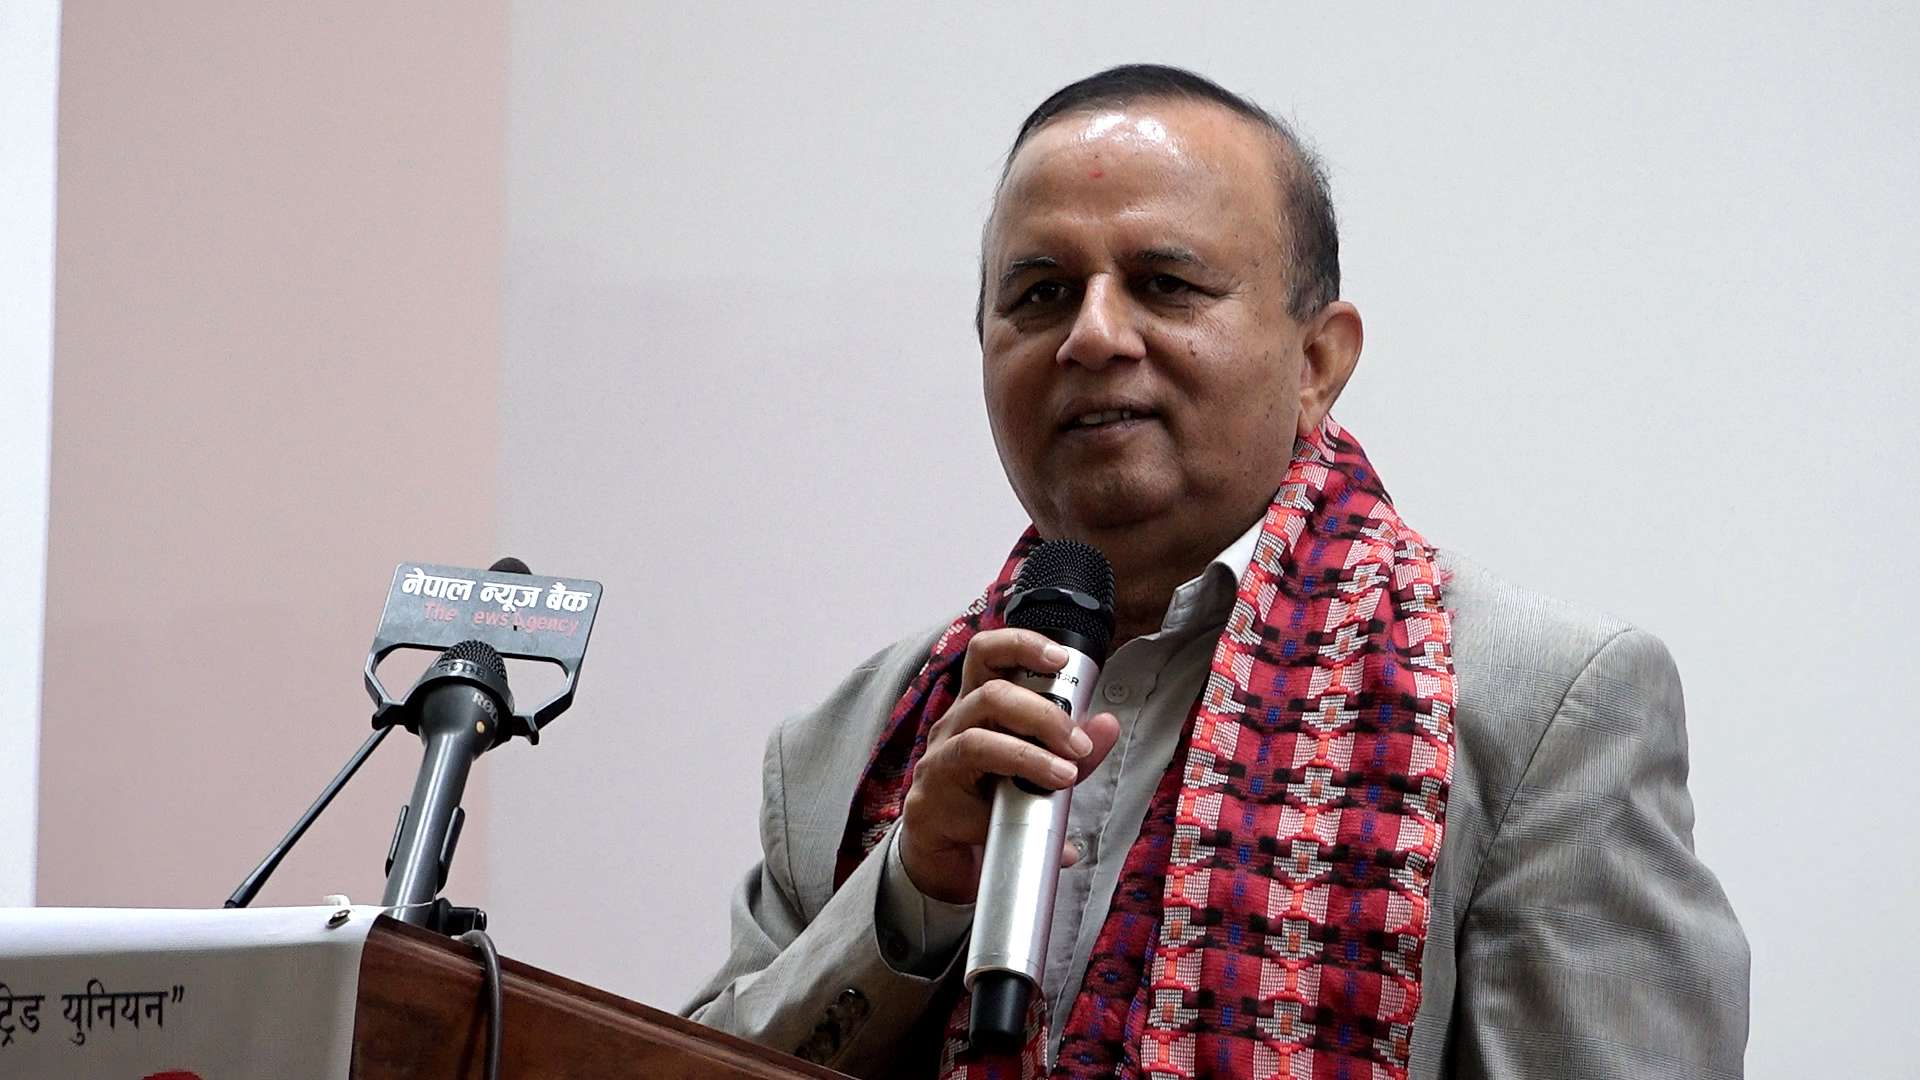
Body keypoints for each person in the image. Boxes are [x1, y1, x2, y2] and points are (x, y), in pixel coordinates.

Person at [685, 64, 1749, 1079]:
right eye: (1043, 294)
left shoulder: (1543, 713)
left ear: (1318, 362)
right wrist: (911, 897)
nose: (1093, 336)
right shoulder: (849, 749)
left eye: (1164, 284)